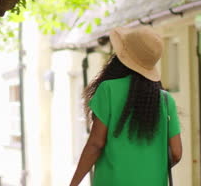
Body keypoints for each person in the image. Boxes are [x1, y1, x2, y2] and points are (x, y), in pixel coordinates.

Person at [69, 26, 182, 186]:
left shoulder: (108, 89)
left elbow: (96, 144)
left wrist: (73, 183)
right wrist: (150, 169)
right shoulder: (165, 100)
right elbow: (177, 153)